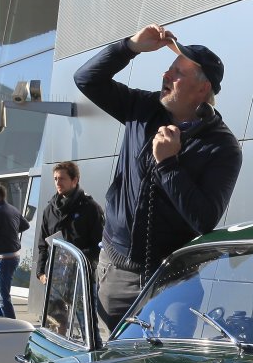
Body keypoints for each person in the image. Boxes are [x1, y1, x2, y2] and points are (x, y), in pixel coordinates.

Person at [74, 24, 242, 323]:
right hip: (116, 273)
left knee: (168, 354)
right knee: (112, 353)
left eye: (177, 73)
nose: (166, 75)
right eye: (169, 69)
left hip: (174, 283)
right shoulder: (142, 108)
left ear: (202, 89)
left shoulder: (222, 146)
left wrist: (168, 165)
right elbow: (86, 79)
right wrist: (129, 47)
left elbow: (204, 219)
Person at [36, 161, 105, 284]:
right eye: (55, 179)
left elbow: (99, 245)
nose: (57, 182)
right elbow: (43, 245)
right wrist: (40, 272)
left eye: (62, 178)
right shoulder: (49, 210)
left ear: (74, 180)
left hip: (81, 277)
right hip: (54, 280)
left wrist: (74, 258)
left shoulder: (90, 208)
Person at [0, 183, 28, 319]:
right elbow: (25, 225)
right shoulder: (13, 209)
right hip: (13, 256)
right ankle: (0, 324)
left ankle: (13, 326)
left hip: (3, 258)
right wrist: (9, 231)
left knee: (2, 297)